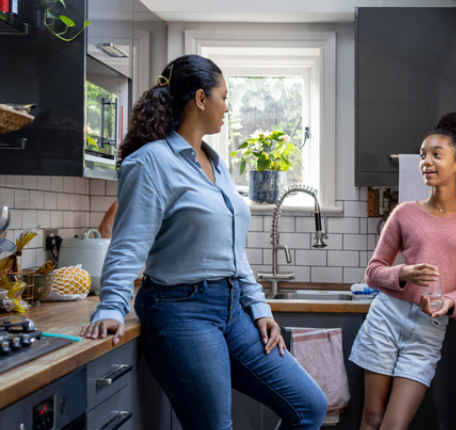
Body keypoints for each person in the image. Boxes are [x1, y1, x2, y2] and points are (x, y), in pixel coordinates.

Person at [80, 55, 328, 430]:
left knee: (310, 406)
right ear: (200, 98)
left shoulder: (216, 163)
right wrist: (111, 307)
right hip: (180, 312)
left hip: (232, 309)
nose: (227, 107)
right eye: (223, 97)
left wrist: (259, 307)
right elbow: (127, 246)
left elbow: (233, 251)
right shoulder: (150, 163)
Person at [349, 112, 456, 430]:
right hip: (386, 317)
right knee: (372, 417)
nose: (426, 162)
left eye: (437, 154)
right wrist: (404, 273)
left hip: (428, 332)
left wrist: (450, 302)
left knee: (394, 425)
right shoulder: (404, 213)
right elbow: (373, 272)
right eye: (423, 155)